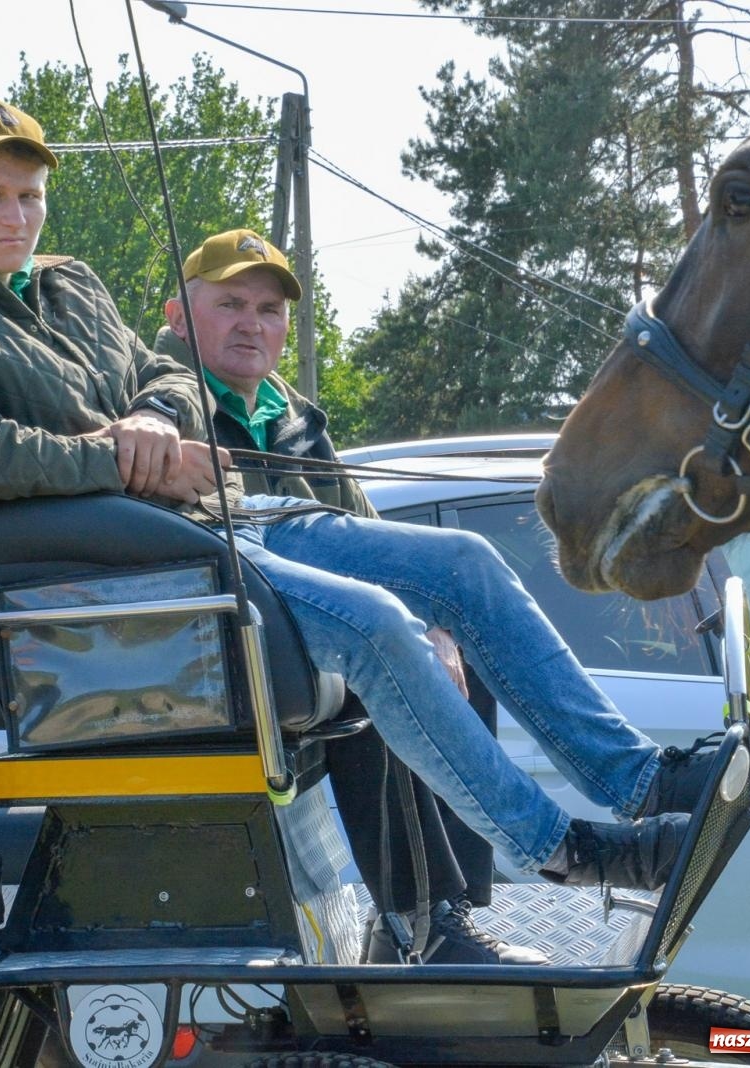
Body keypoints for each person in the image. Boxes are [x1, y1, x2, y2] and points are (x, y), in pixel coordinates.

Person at [0, 98, 750, 902]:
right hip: (133, 575)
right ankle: (569, 852)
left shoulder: (71, 286)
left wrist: (154, 411)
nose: (16, 214)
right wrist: (122, 456)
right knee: (377, 622)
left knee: (465, 566)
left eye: (29, 195)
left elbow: (165, 376)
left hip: (208, 524)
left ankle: (638, 779)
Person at [157, 226, 534, 965]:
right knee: (380, 669)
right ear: (177, 315)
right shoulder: (168, 403)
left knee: (453, 658)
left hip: (301, 633)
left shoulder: (291, 415)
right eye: (229, 303)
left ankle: (447, 917)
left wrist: (436, 625)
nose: (251, 323)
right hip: (215, 644)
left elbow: (360, 529)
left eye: (268, 309)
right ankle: (421, 929)